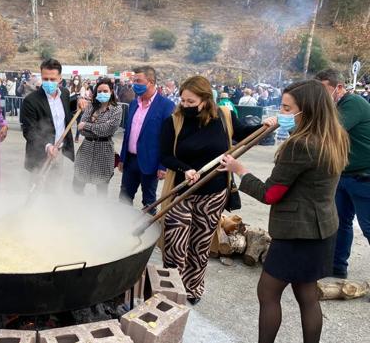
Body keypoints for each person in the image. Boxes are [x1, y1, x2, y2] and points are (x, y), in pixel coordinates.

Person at [220, 79, 349, 343]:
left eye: (287, 109)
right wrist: (281, 129)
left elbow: (270, 194)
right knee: (307, 295)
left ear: (308, 111)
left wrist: (240, 170)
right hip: (323, 228)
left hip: (297, 233)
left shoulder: (299, 145)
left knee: (268, 293)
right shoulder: (334, 136)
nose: (281, 113)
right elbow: (307, 167)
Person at [160, 76, 268, 305]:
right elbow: (165, 155)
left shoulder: (224, 117)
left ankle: (193, 288)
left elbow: (245, 134)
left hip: (214, 193)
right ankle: (172, 290)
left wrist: (266, 126)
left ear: (205, 99)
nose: (185, 105)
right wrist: (185, 169)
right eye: (183, 100)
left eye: (191, 101)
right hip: (182, 192)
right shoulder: (174, 121)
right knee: (175, 244)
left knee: (200, 245)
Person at [316, 68, 370, 279]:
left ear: (338, 88)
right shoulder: (334, 106)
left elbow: (331, 132)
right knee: (340, 224)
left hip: (364, 177)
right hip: (344, 175)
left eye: (323, 90)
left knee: (368, 228)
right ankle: (337, 268)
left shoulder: (353, 103)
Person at [118, 66, 175, 212]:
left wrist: (163, 165)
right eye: (134, 80)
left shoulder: (166, 106)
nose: (134, 84)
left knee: (149, 202)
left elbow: (169, 137)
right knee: (124, 198)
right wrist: (122, 158)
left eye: (138, 81)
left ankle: (148, 231)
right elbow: (127, 133)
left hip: (151, 162)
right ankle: (121, 227)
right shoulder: (133, 104)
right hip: (130, 161)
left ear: (151, 82)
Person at [21, 58, 74, 172]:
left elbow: (70, 108)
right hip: (39, 155)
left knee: (56, 186)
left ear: (60, 79)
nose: (49, 82)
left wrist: (80, 100)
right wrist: (47, 145)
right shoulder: (30, 101)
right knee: (37, 187)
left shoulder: (64, 94)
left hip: (59, 152)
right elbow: (29, 130)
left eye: (52, 79)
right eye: (45, 79)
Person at [73, 78, 122, 196]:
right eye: (99, 91)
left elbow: (108, 129)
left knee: (101, 187)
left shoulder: (116, 109)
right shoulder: (91, 107)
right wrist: (92, 128)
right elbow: (81, 130)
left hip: (104, 151)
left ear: (111, 92)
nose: (102, 94)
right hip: (86, 148)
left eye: (105, 91)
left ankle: (99, 211)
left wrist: (87, 126)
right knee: (78, 183)